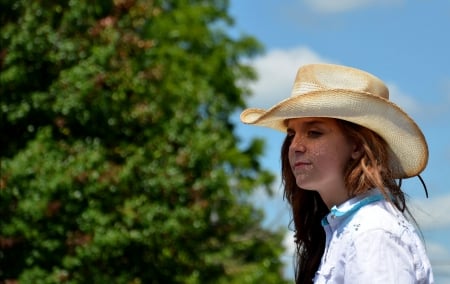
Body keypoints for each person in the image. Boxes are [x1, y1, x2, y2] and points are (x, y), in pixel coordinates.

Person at [240, 63, 434, 283]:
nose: (295, 146)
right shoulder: (346, 228)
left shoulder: (372, 233)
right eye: (292, 134)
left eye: (314, 132)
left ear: (357, 146)